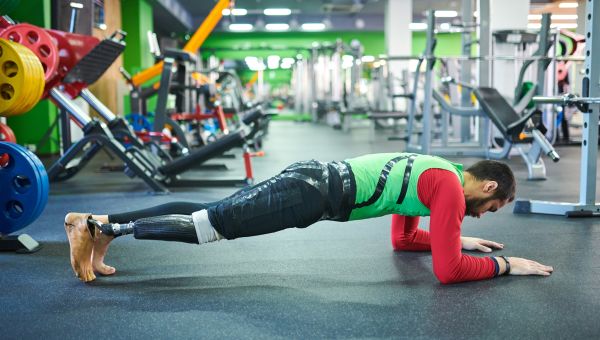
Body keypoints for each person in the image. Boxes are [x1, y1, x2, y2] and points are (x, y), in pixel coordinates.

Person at [64, 152, 553, 284]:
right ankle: (96, 229)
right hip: (310, 194)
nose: (482, 218)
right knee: (207, 228)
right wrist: (507, 266)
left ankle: (99, 223)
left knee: (203, 214)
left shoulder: (440, 172)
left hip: (312, 179)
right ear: (489, 187)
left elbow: (404, 242)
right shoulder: (447, 189)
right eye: (490, 208)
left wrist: (455, 241)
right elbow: (447, 273)